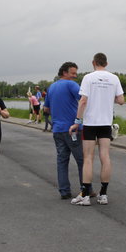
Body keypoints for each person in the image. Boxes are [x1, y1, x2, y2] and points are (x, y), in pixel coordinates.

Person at [69, 53, 124, 206]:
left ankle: (86, 195)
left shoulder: (88, 78)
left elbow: (83, 101)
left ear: (93, 62)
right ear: (106, 63)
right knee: (105, 157)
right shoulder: (114, 78)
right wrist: (108, 95)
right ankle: (104, 194)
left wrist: (77, 121)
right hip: (106, 123)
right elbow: (121, 100)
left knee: (88, 158)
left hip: (90, 123)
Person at [43, 62, 84, 199]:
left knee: (62, 161)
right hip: (73, 129)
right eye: (73, 73)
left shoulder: (51, 87)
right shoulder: (71, 85)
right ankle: (85, 189)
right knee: (82, 160)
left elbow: (46, 109)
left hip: (57, 129)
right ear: (64, 73)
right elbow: (84, 100)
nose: (75, 75)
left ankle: (64, 191)